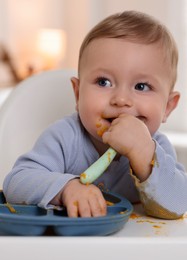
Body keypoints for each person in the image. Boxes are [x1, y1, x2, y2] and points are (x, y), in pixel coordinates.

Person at [3, 10, 187, 219]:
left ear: (168, 107)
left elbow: (179, 203)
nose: (121, 99)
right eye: (104, 82)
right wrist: (65, 189)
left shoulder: (158, 147)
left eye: (142, 86)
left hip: (135, 249)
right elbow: (16, 182)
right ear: (78, 93)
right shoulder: (65, 137)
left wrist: (146, 157)